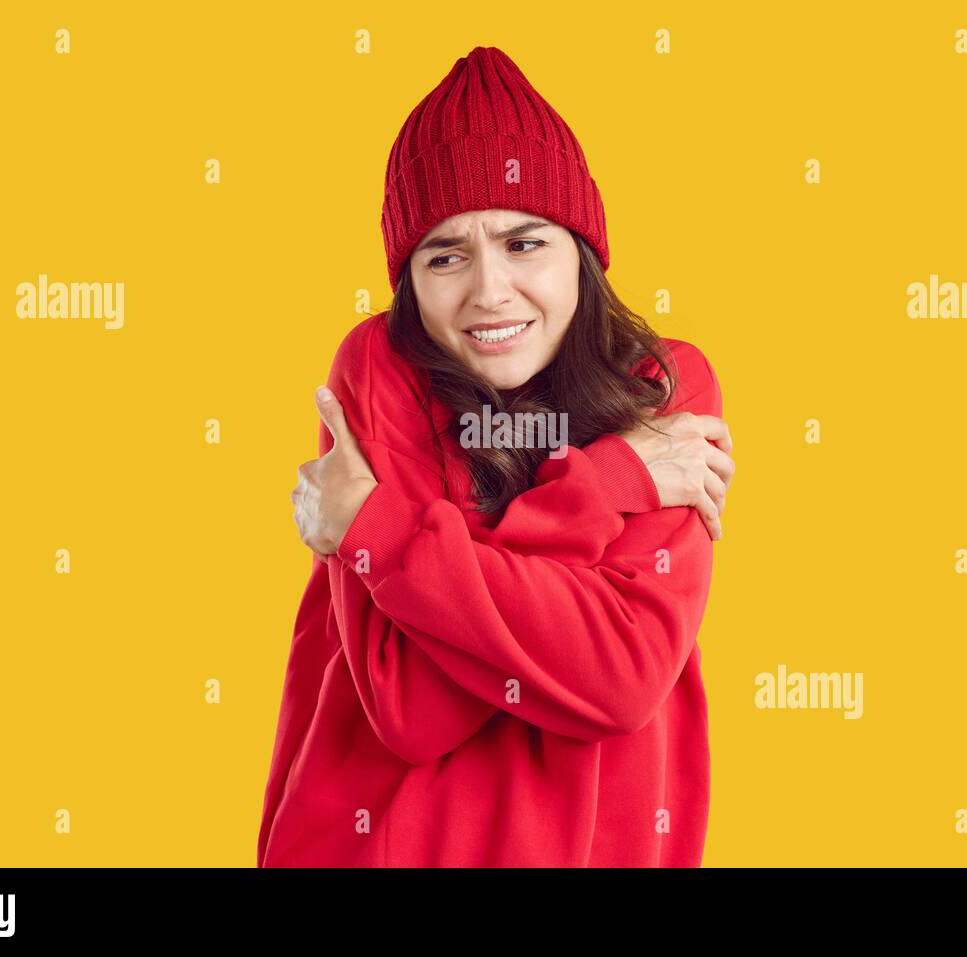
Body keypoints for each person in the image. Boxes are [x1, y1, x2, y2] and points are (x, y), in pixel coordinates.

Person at [257, 45, 735, 867]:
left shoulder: (664, 390)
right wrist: (612, 482)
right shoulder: (378, 370)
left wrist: (386, 534)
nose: (489, 291)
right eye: (446, 255)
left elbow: (621, 677)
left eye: (524, 244)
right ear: (409, 277)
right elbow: (409, 705)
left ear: (579, 249)